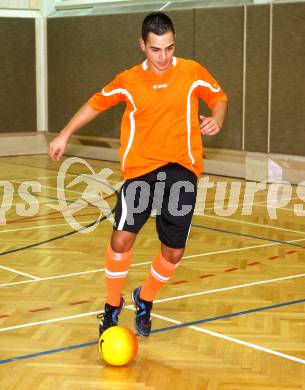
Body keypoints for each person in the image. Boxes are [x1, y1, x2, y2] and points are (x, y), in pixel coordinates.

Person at [48, 12, 228, 337]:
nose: (164, 57)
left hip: (181, 172)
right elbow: (95, 104)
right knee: (120, 240)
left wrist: (217, 116)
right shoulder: (129, 80)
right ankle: (112, 306)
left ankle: (144, 300)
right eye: (156, 49)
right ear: (142, 45)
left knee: (173, 252)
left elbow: (218, 96)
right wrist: (64, 133)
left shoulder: (191, 71)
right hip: (141, 171)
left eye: (169, 48)